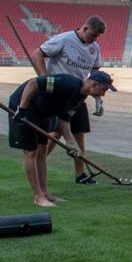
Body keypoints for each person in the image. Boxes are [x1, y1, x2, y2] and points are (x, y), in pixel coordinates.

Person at [7, 71, 116, 207]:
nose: (103, 94)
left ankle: (45, 194)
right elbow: (34, 83)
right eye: (104, 89)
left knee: (42, 149)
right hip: (26, 105)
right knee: (31, 151)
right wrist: (21, 108)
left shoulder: (79, 98)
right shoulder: (66, 84)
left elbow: (64, 120)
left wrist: (71, 144)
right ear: (94, 84)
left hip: (43, 112)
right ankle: (39, 197)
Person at [30, 15, 107, 185]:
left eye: (97, 37)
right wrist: (45, 80)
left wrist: (98, 98)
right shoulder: (64, 39)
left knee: (79, 133)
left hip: (79, 95)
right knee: (57, 132)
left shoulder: (95, 48)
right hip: (58, 94)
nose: (94, 39)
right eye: (93, 35)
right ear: (84, 28)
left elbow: (95, 75)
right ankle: (39, 162)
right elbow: (37, 54)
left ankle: (80, 174)